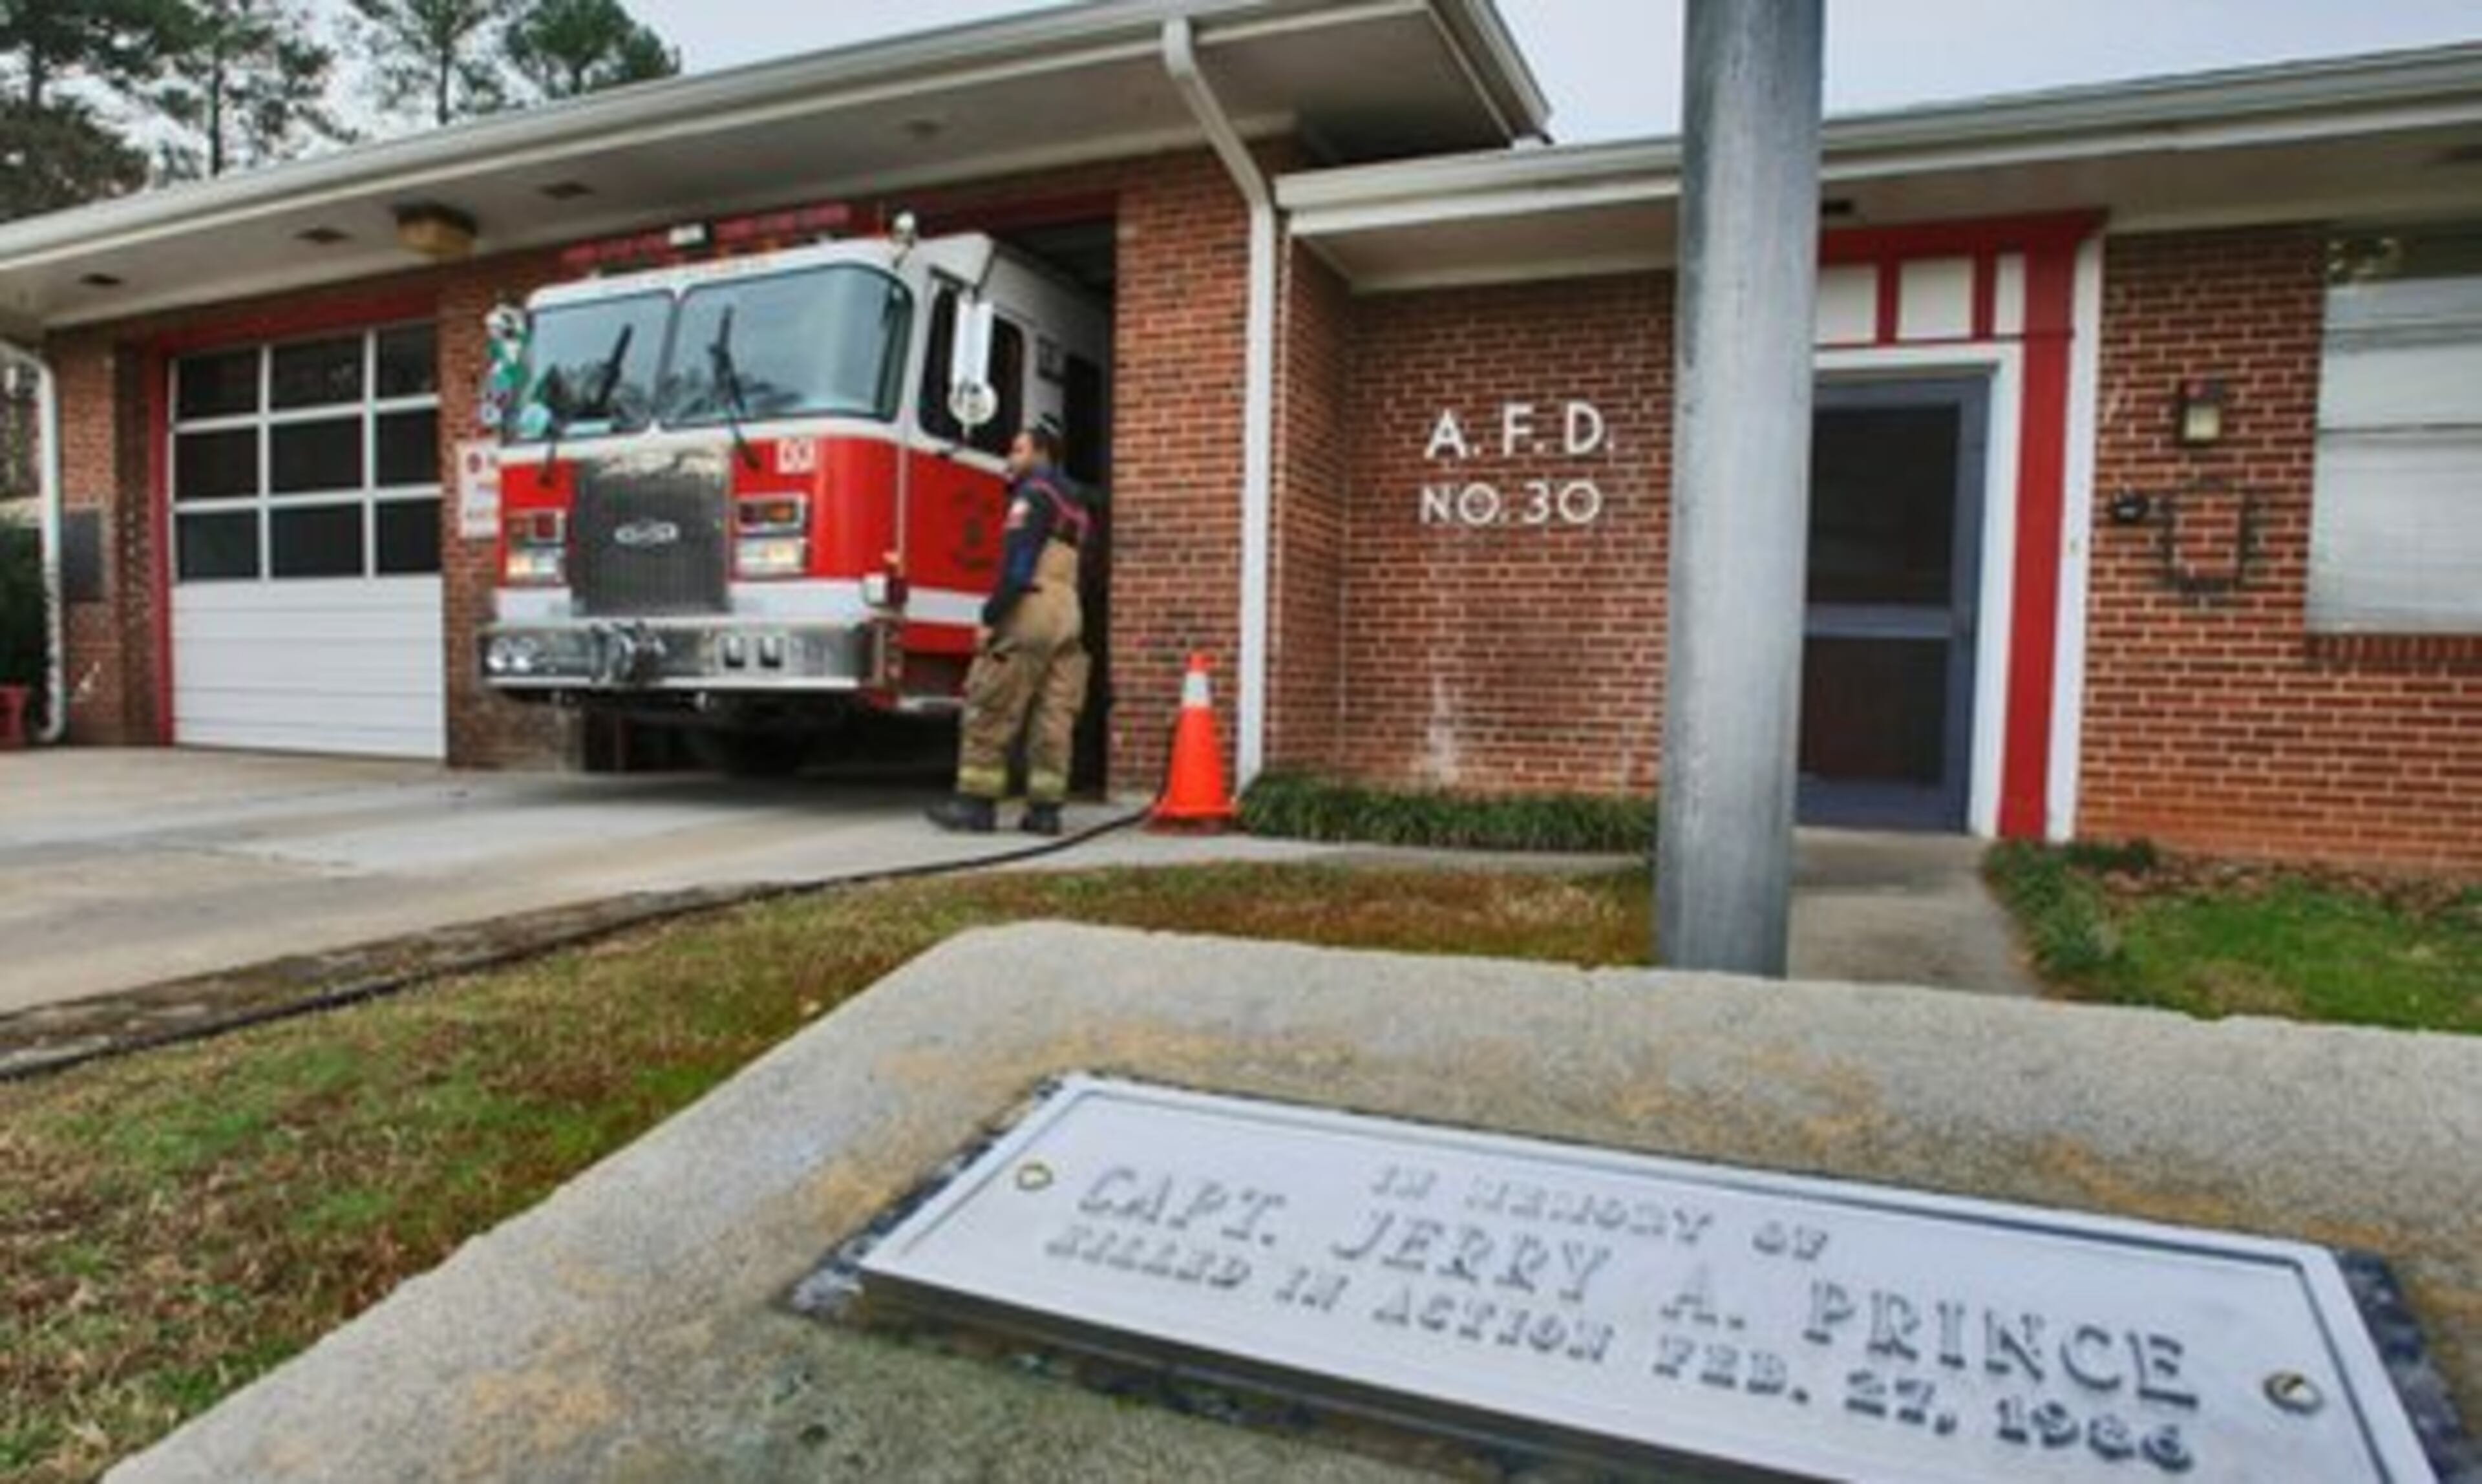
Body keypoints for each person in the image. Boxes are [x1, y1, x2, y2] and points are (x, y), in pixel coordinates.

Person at [926, 423, 1093, 836]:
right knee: (1054, 714)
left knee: (993, 703)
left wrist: (991, 618)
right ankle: (1045, 812)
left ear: (1041, 454)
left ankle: (974, 807)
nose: (1010, 458)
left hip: (1030, 606)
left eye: (1017, 450)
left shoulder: (1032, 496)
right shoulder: (1077, 504)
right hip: (1068, 610)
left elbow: (1018, 567)